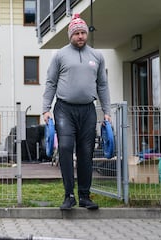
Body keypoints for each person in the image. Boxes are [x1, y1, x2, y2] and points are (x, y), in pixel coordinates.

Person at [42, 13, 112, 210]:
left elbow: (103, 85)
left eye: (83, 32)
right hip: (64, 109)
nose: (80, 36)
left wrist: (107, 111)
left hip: (88, 110)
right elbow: (51, 82)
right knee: (64, 147)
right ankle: (68, 195)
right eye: (76, 33)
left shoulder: (97, 56)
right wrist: (45, 108)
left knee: (86, 153)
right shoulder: (60, 55)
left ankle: (84, 196)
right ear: (70, 35)